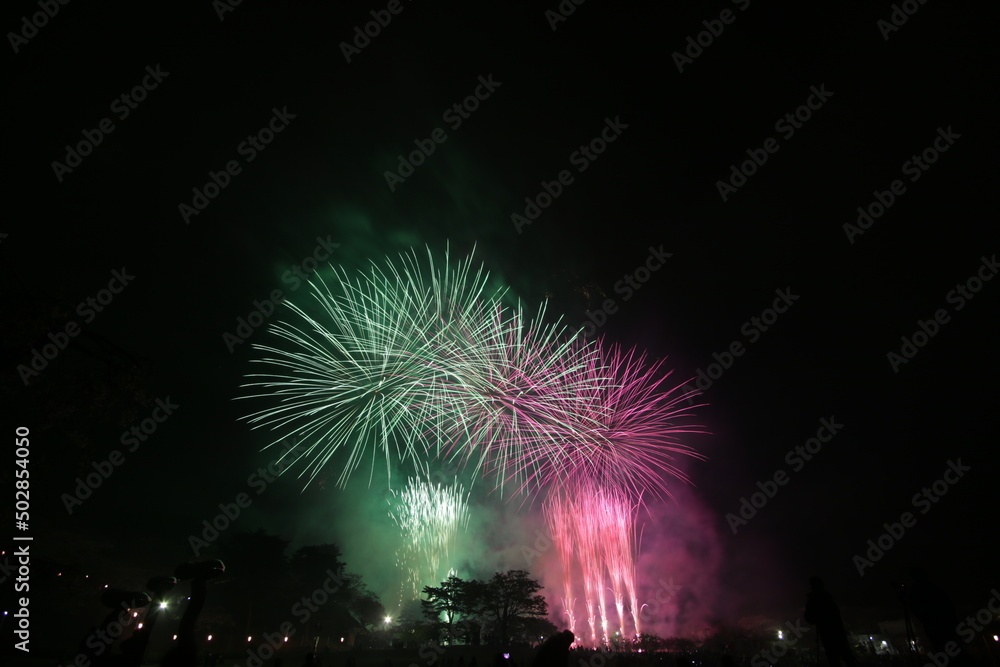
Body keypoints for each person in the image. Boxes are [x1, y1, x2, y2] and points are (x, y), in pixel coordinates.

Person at [804, 577, 857, 667]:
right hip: (837, 632)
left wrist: (816, 619)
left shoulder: (814, 599)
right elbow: (836, 614)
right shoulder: (827, 597)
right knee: (846, 656)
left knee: (834, 658)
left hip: (827, 633)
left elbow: (808, 617)